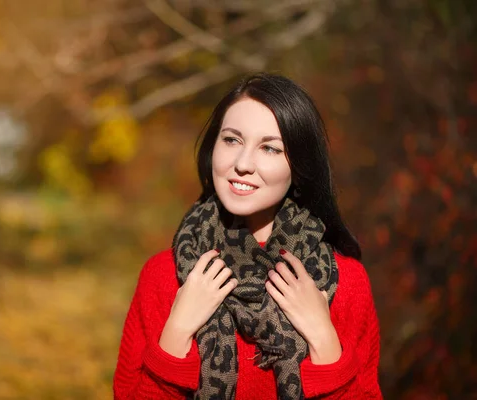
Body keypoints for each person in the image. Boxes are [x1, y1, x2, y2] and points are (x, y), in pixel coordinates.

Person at [113, 73, 382, 399]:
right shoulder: (163, 277)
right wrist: (177, 332)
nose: (242, 163)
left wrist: (324, 340)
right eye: (231, 140)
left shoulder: (345, 283)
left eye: (269, 148)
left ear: (299, 168)